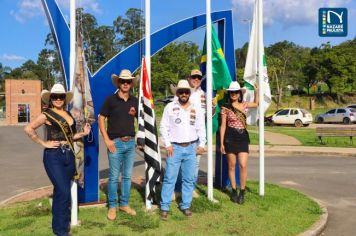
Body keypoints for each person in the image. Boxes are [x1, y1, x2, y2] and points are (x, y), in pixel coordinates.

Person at [24, 83, 91, 236]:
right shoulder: (46, 114)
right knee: (64, 192)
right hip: (53, 157)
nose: (58, 99)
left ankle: (58, 227)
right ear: (50, 98)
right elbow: (28, 128)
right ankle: (61, 232)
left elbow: (70, 137)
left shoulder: (68, 114)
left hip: (68, 154)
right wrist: (43, 142)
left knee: (60, 192)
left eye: (61, 96)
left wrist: (83, 133)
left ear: (65, 98)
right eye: (55, 97)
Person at [160, 79, 206, 220]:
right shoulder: (170, 107)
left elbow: (200, 127)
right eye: (181, 91)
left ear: (189, 93)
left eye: (186, 91)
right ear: (178, 93)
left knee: (189, 179)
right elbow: (163, 127)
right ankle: (165, 207)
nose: (184, 94)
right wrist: (167, 144)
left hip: (191, 147)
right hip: (174, 148)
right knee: (169, 178)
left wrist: (202, 144)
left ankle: (185, 205)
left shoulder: (195, 108)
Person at [98, 69, 138, 221]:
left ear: (131, 84)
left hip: (130, 144)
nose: (125, 84)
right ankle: (113, 206)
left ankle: (124, 204)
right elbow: (101, 119)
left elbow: (141, 119)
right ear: (119, 83)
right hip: (115, 144)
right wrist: (107, 140)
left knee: (127, 177)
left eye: (128, 81)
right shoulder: (110, 100)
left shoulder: (135, 101)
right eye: (123, 81)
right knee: (114, 177)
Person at [219, 81, 258, 204]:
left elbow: (257, 104)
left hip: (242, 137)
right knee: (231, 165)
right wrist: (221, 143)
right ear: (229, 93)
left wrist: (257, 91)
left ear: (240, 93)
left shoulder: (245, 105)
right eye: (232, 92)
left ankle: (242, 191)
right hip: (230, 137)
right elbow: (223, 126)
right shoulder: (225, 107)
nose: (234, 94)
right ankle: (234, 191)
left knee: (243, 164)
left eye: (236, 92)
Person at [174, 69, 206, 199]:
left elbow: (203, 114)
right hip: (182, 135)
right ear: (189, 78)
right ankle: (177, 189)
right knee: (180, 164)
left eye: (199, 77)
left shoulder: (202, 93)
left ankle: (191, 188)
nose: (196, 79)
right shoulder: (184, 91)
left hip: (196, 134)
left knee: (195, 163)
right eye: (194, 77)